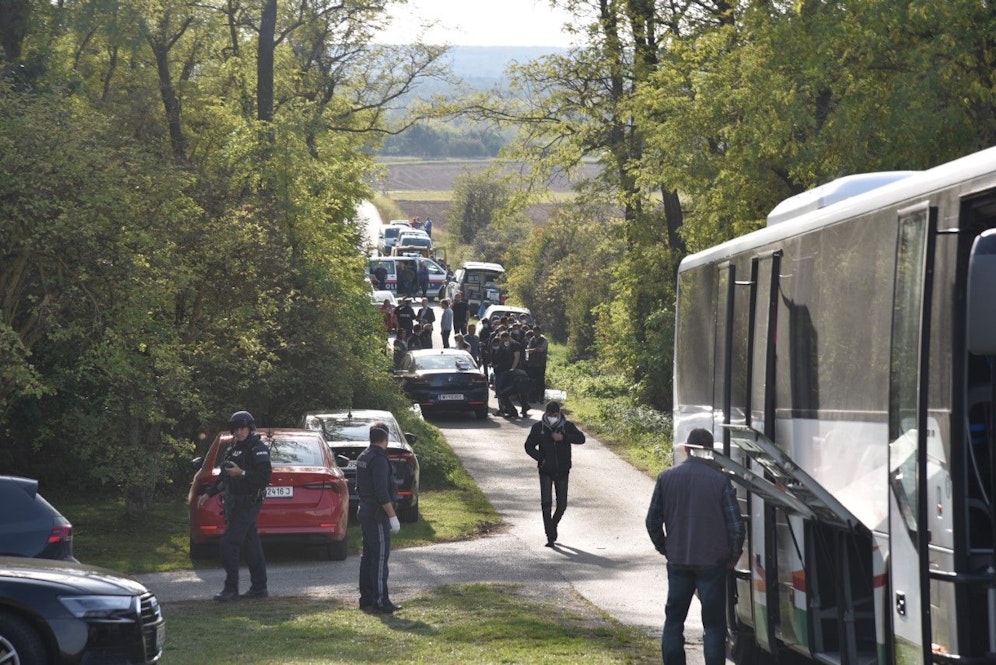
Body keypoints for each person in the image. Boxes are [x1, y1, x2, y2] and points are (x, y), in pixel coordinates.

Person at [645, 428, 746, 665]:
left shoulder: (666, 477)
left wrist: (665, 548)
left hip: (678, 560)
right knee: (713, 625)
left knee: (674, 621)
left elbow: (652, 521)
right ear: (710, 452)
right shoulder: (721, 481)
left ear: (687, 449)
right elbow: (737, 527)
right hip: (713, 564)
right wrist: (733, 555)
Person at [198, 410, 273, 601]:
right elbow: (224, 478)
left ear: (250, 428)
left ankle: (231, 589)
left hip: (249, 501)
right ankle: (259, 587)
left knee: (229, 543)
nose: (238, 431)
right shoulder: (233, 449)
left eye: (242, 428)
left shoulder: (258, 448)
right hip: (235, 503)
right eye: (235, 428)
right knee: (251, 545)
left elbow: (264, 478)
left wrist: (242, 473)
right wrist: (208, 493)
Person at [523, 401, 586, 547]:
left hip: (562, 470)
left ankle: (553, 524)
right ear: (545, 413)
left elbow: (581, 439)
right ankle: (550, 536)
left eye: (555, 415)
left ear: (559, 413)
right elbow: (529, 446)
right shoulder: (539, 428)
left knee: (562, 504)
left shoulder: (567, 426)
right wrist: (541, 458)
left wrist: (564, 438)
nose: (552, 417)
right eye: (550, 415)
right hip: (545, 470)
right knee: (546, 504)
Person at [356, 423, 402, 614]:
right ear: (386, 438)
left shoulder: (364, 456)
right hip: (377, 514)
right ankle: (381, 600)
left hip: (365, 510)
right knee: (380, 558)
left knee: (368, 556)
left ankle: (366, 598)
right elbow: (382, 492)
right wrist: (393, 517)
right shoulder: (380, 460)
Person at [490, 330, 521, 417]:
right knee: (499, 392)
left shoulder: (504, 350)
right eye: (494, 344)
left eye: (497, 343)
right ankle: (502, 409)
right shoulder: (494, 351)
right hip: (497, 373)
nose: (495, 345)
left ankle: (506, 409)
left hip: (503, 372)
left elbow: (508, 362)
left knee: (502, 392)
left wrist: (498, 365)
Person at [526, 326, 549, 403]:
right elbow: (528, 349)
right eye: (534, 331)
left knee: (540, 381)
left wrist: (533, 350)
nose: (535, 333)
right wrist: (534, 350)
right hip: (532, 364)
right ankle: (532, 397)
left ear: (539, 331)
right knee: (532, 381)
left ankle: (540, 397)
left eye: (537, 331)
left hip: (540, 364)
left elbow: (541, 349)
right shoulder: (532, 339)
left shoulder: (544, 340)